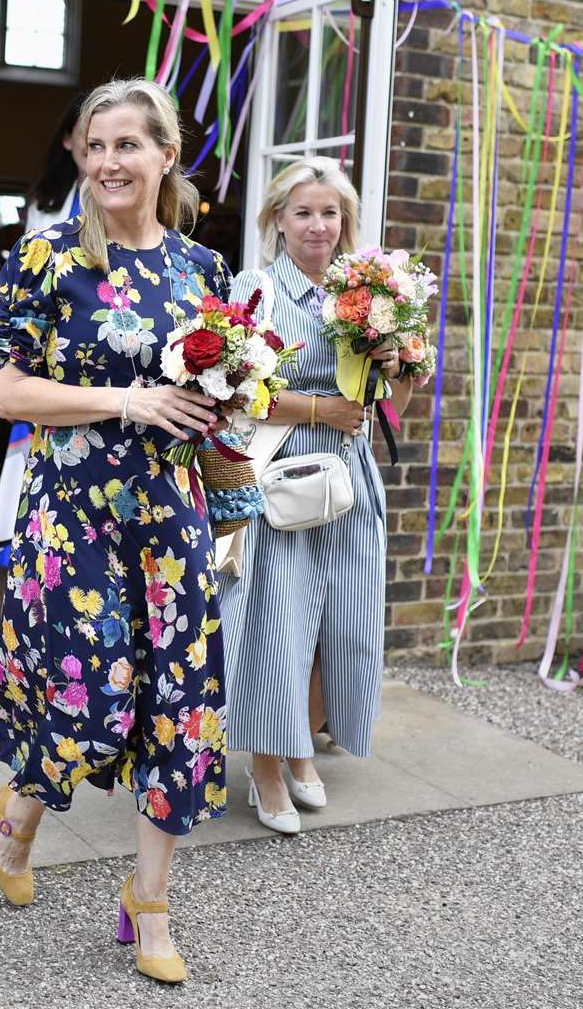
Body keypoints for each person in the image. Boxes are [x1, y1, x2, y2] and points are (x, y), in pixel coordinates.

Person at [0, 78, 230, 986]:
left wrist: (223, 407)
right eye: (95, 146)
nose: (109, 162)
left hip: (171, 517)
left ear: (167, 156)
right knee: (85, 709)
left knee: (180, 710)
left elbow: (212, 388)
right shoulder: (45, 258)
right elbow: (9, 392)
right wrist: (125, 398)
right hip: (74, 518)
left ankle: (150, 899)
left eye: (129, 144)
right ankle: (15, 823)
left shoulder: (202, 272)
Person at [217, 157, 414, 833]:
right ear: (277, 219)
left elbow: (389, 405)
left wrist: (399, 364)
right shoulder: (255, 289)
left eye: (329, 213)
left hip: (350, 482)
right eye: (303, 212)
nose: (318, 225)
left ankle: (303, 742)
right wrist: (314, 410)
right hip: (279, 485)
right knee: (280, 627)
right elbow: (228, 391)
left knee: (343, 628)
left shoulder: (365, 294)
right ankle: (267, 769)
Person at [0, 95, 87, 564]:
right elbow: (29, 279)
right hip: (47, 339)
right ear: (66, 139)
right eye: (87, 134)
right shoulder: (48, 202)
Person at [23, 92, 87, 231]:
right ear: (67, 139)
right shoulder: (43, 205)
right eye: (86, 131)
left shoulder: (133, 204)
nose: (94, 143)